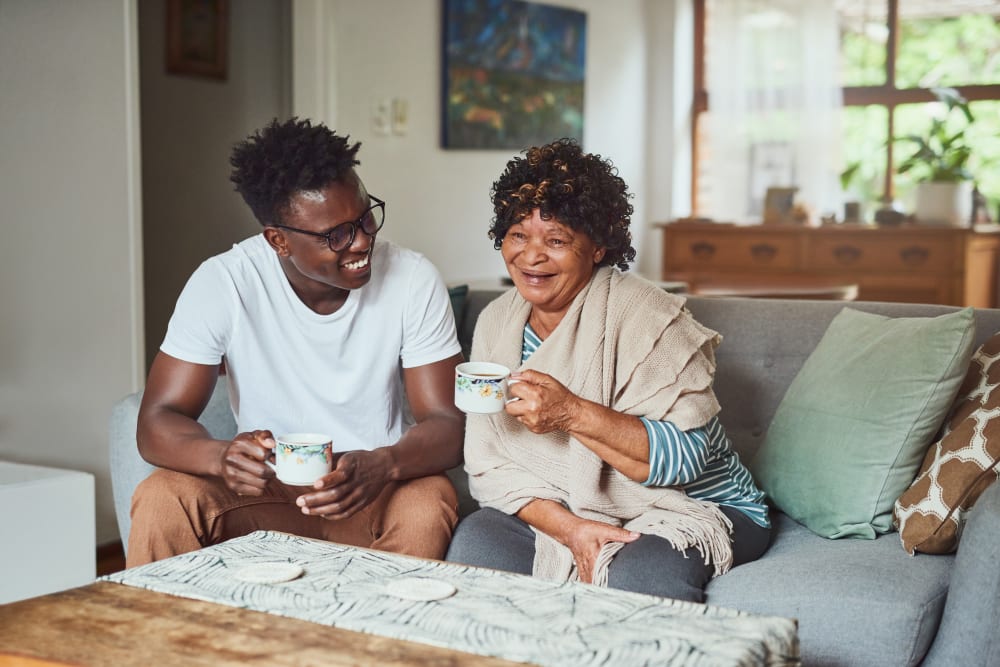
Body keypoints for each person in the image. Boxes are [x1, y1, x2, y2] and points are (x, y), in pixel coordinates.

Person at [127, 118, 464, 567]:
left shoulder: (412, 278)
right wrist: (221, 457)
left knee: (429, 498)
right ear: (278, 241)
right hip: (265, 496)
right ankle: (160, 636)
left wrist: (384, 464)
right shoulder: (224, 282)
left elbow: (448, 423)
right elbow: (156, 421)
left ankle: (375, 634)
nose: (362, 240)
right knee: (161, 495)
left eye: (365, 216)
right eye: (336, 235)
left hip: (371, 490)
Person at [445, 139, 770, 602]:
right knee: (477, 543)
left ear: (597, 247)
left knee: (636, 580)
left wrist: (571, 413)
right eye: (518, 235)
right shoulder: (498, 320)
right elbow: (486, 464)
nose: (531, 256)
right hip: (570, 504)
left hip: (693, 505)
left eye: (555, 241)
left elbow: (683, 462)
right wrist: (573, 528)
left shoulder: (652, 320)